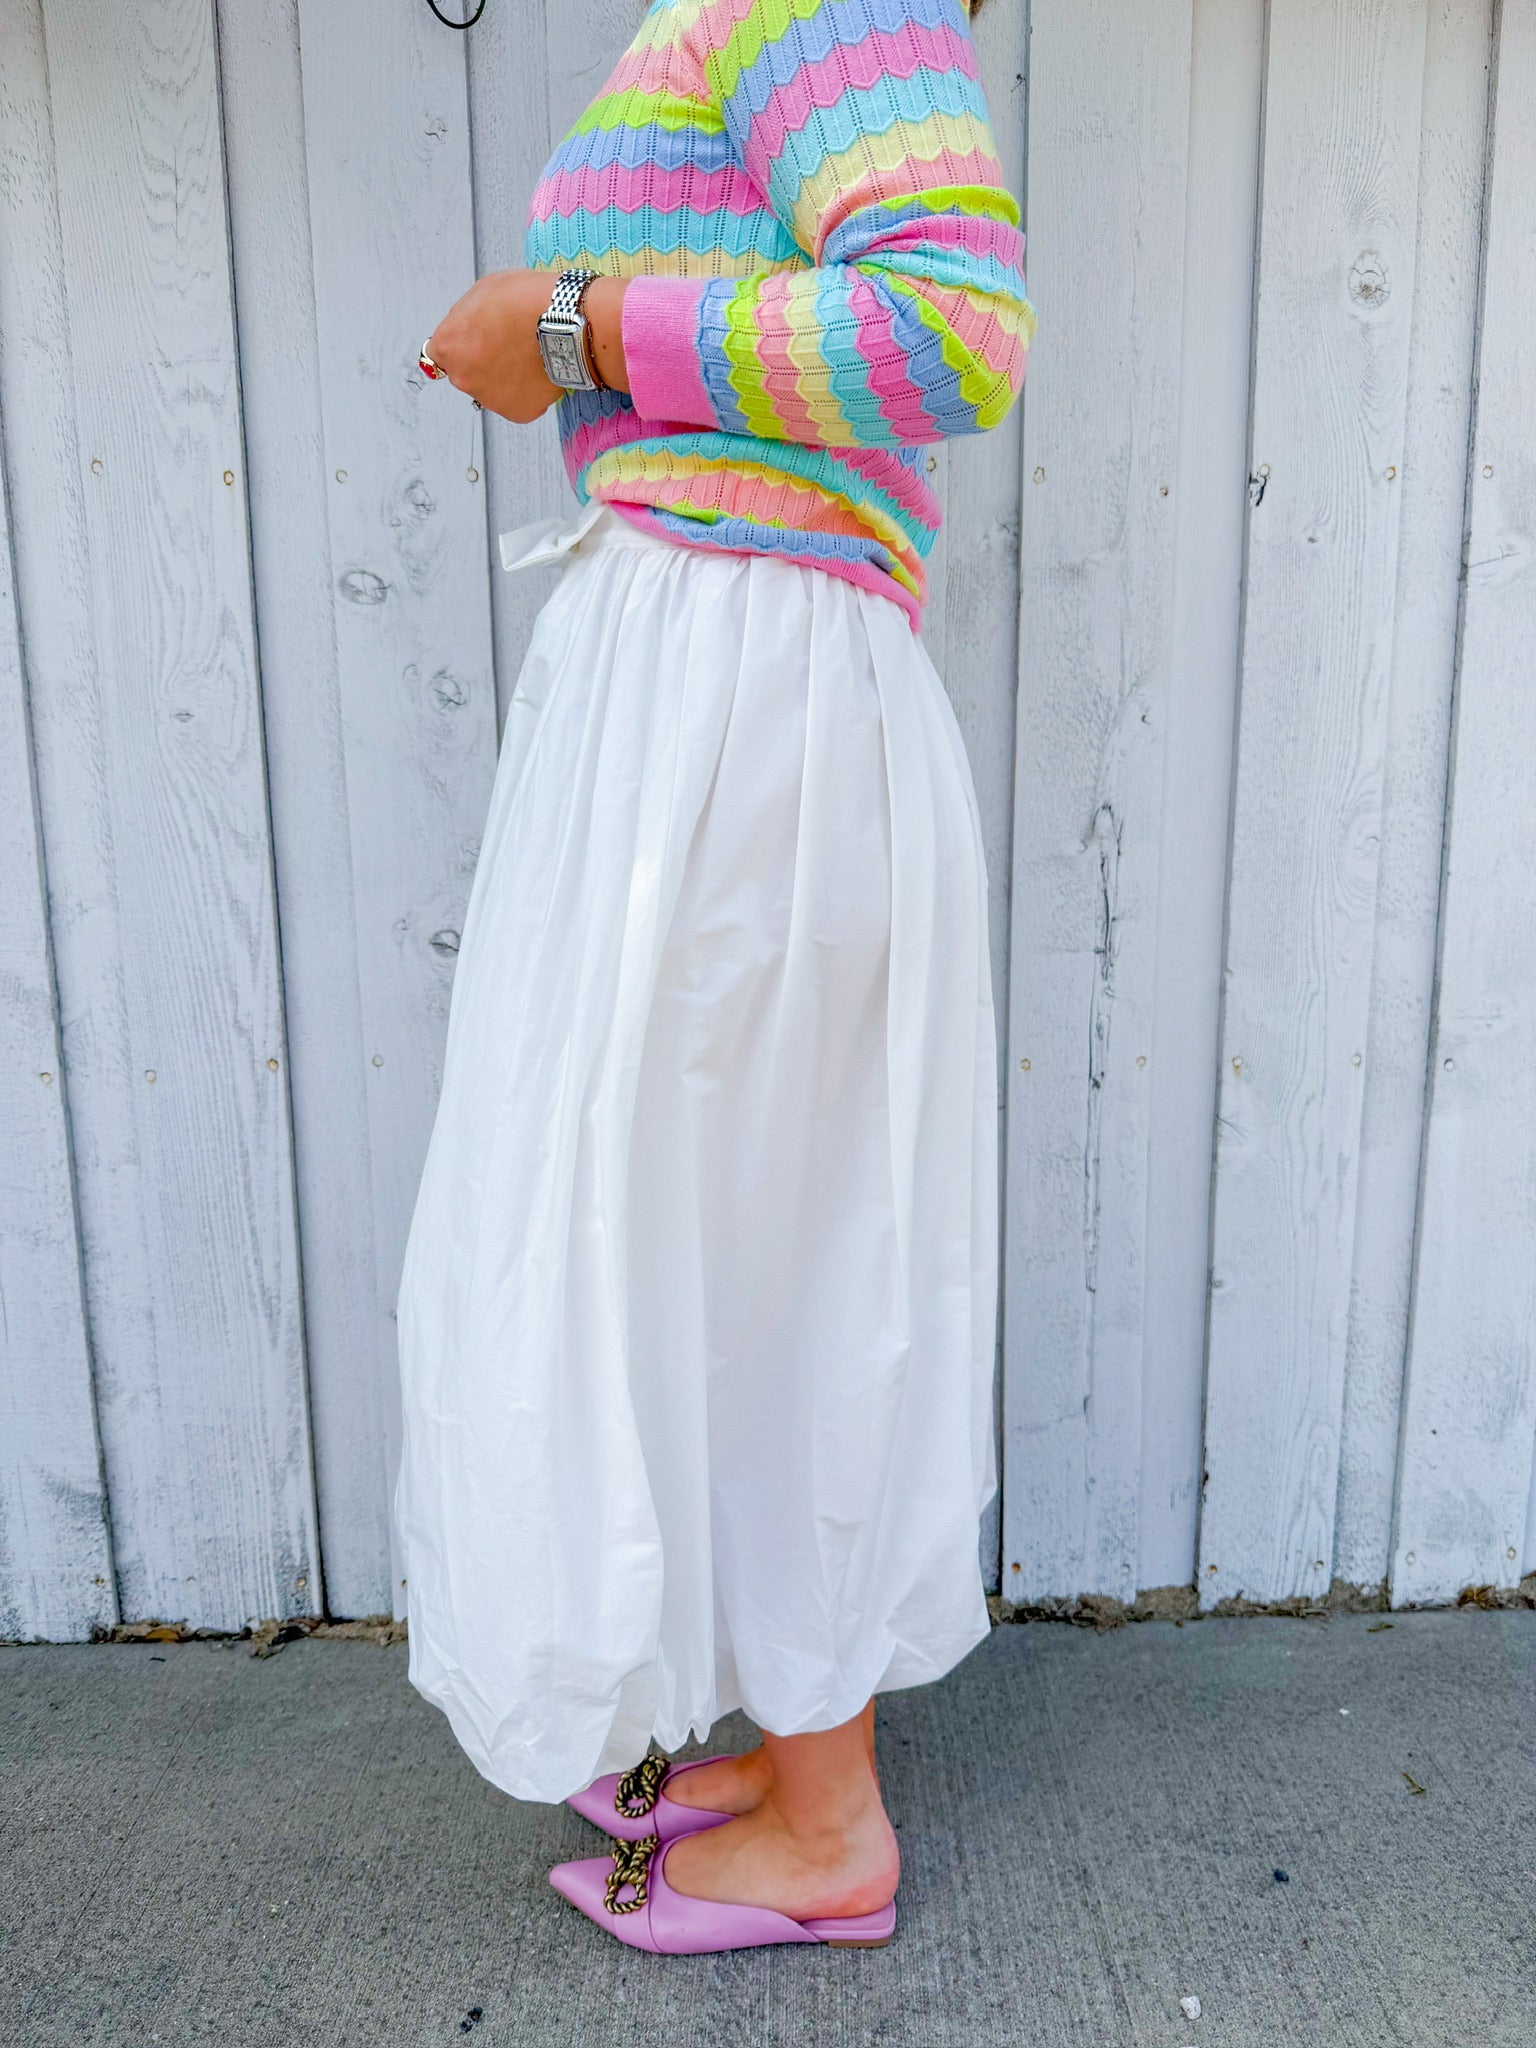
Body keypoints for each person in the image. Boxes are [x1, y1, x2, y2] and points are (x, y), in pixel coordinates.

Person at [395, 0, 1033, 1956]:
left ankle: (831, 1826)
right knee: (728, 1233)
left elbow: (951, 331)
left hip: (742, 704)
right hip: (714, 687)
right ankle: (798, 1752)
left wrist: (570, 327)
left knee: (766, 1238)